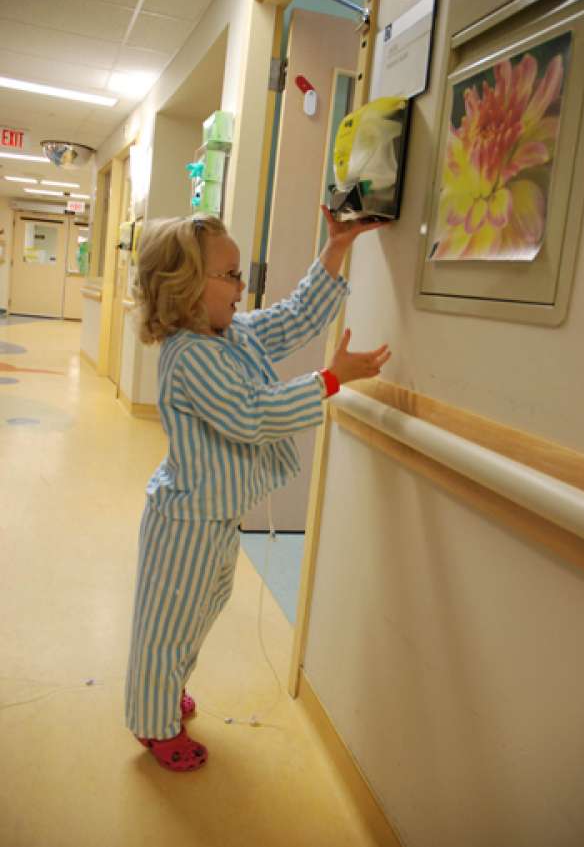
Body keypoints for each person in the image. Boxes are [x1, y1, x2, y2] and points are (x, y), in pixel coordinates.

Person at [125, 207, 391, 771]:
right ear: (188, 288)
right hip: (187, 522)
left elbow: (293, 320)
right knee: (166, 626)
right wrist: (330, 379)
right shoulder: (190, 356)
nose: (243, 286)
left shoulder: (233, 334)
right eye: (231, 275)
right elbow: (250, 414)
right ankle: (153, 724)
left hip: (216, 519)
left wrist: (335, 250)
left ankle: (164, 692)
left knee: (196, 616)